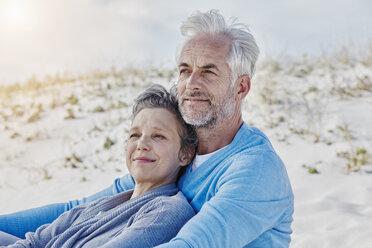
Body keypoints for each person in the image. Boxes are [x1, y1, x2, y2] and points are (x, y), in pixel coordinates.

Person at [0, 10, 294, 247]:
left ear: (241, 86)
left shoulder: (255, 169)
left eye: (208, 71)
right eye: (184, 70)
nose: (191, 84)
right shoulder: (177, 153)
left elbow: (193, 244)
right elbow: (80, 207)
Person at [0, 85, 197, 247]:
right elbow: (35, 241)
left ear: (185, 154)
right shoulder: (104, 204)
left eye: (158, 136)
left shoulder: (166, 211)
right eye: (135, 135)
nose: (141, 145)